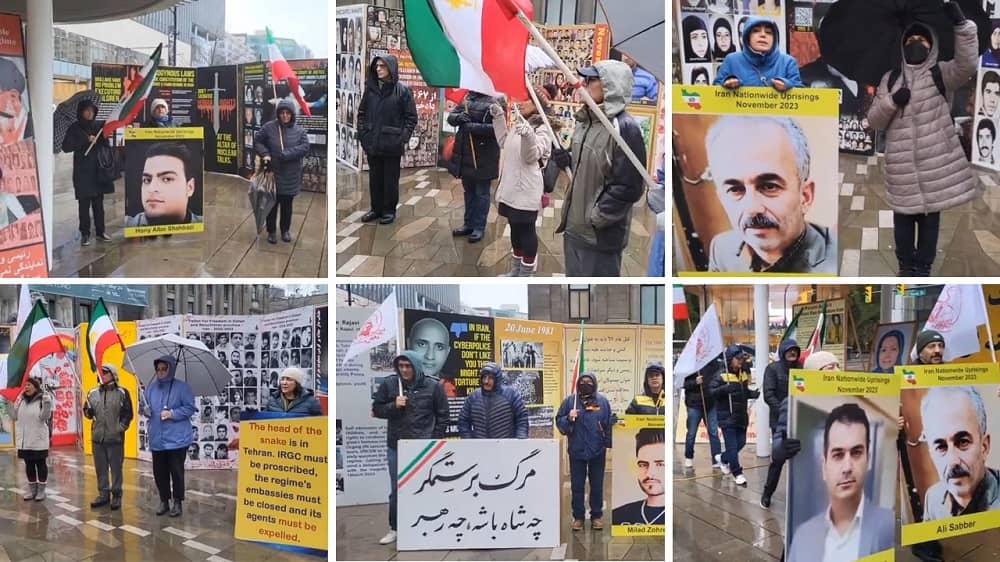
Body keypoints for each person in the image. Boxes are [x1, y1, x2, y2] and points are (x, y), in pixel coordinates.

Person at [867, 7, 978, 276]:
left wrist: (962, 26)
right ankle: (906, 265)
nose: (916, 45)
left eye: (922, 41)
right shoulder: (890, 79)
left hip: (934, 167)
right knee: (903, 220)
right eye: (910, 41)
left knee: (930, 222)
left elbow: (967, 65)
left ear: (932, 46)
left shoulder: (942, 74)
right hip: (902, 168)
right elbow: (874, 120)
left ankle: (923, 267)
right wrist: (893, 101)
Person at [705, 115, 834, 273]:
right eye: (735, 189)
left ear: (805, 196)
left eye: (769, 186)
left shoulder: (837, 264)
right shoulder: (721, 249)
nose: (752, 208)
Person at [556, 60, 646, 276]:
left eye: (592, 79)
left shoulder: (624, 128)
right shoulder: (585, 121)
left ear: (611, 85)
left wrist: (597, 216)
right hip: (573, 228)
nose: (585, 83)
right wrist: (565, 159)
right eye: (585, 78)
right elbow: (585, 165)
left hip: (598, 237)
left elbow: (630, 186)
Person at [786, 404, 895, 561]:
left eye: (856, 453)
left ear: (868, 460)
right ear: (824, 467)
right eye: (838, 455)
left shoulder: (889, 527)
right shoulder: (803, 536)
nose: (847, 468)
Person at [371, 351, 449, 545]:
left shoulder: (433, 386)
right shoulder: (390, 384)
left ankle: (429, 525)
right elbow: (377, 409)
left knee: (427, 487)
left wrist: (433, 441)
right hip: (396, 446)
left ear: (416, 366)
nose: (404, 370)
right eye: (401, 366)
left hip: (423, 447)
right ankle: (395, 528)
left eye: (408, 366)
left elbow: (443, 416)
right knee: (397, 490)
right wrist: (393, 406)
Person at [488, 90, 551, 276]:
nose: (521, 103)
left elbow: (530, 156)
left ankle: (525, 275)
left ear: (537, 104)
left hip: (526, 190)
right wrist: (498, 118)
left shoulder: (543, 127)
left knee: (526, 232)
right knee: (515, 230)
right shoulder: (520, 123)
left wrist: (529, 136)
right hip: (511, 189)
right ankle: (515, 273)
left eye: (526, 100)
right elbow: (503, 142)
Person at [920, 386, 1000, 519]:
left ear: (984, 446)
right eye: (941, 447)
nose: (953, 461)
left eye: (963, 442)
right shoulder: (932, 498)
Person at [357, 55, 417, 226]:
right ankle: (375, 209)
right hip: (373, 144)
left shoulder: (403, 91)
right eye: (376, 66)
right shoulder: (370, 90)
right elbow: (361, 114)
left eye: (382, 66)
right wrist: (363, 136)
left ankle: (389, 211)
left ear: (391, 68)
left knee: (390, 180)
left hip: (392, 145)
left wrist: (402, 139)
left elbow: (411, 118)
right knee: (375, 179)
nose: (378, 69)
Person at [556, 372, 612, 531]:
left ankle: (596, 516)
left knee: (597, 485)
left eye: (589, 382)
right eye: (582, 382)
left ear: (594, 384)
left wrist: (607, 443)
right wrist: (568, 418)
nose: (586, 384)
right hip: (577, 451)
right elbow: (560, 424)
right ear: (578, 385)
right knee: (577, 486)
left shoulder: (602, 402)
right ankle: (578, 517)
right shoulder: (569, 402)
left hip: (597, 451)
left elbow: (608, 423)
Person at [143, 355, 195, 518]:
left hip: (177, 439)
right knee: (159, 472)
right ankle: (164, 500)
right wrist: (144, 410)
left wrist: (172, 413)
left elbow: (190, 408)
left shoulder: (182, 388)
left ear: (170, 369)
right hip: (157, 439)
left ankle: (177, 501)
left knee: (176, 472)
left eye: (164, 369)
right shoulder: (150, 389)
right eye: (158, 369)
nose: (160, 372)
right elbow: (143, 406)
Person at [254, 99, 310, 244]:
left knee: (287, 206)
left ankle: (285, 230)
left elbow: (305, 147)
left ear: (292, 114)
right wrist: (265, 153)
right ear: (278, 114)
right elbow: (258, 141)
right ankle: (271, 231)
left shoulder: (299, 131)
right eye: (282, 113)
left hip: (290, 175)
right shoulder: (269, 127)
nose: (285, 116)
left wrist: (289, 153)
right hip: (273, 173)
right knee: (271, 205)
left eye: (287, 113)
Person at [448, 90, 501, 244]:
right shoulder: (466, 99)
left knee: (481, 193)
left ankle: (479, 227)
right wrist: (458, 117)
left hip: (484, 156)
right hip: (465, 155)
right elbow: (451, 117)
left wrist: (472, 127)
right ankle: (468, 224)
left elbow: (496, 129)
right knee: (469, 191)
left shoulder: (495, 101)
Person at [62, 98, 113, 245]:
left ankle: (100, 231)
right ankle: (85, 233)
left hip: (98, 172)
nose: (90, 113)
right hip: (82, 173)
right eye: (87, 110)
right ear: (81, 111)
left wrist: (101, 138)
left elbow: (106, 145)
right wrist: (85, 140)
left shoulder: (99, 126)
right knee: (84, 205)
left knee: (99, 205)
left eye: (92, 110)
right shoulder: (74, 128)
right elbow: (66, 147)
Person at [83, 364, 133, 510]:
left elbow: (128, 414)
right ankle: (103, 494)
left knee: (116, 468)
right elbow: (88, 413)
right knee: (100, 468)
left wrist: (120, 428)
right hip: (98, 438)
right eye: (101, 373)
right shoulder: (92, 393)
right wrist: (87, 411)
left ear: (113, 374)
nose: (102, 375)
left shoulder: (122, 392)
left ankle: (117, 494)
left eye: (105, 373)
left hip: (115, 439)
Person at [710, 345, 759, 486]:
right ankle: (737, 473)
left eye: (741, 359)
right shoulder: (721, 374)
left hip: (741, 415)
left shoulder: (743, 373)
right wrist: (724, 389)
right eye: (737, 359)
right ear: (730, 360)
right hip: (726, 416)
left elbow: (743, 392)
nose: (740, 361)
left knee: (741, 443)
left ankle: (723, 459)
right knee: (732, 447)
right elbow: (711, 392)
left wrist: (752, 393)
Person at [125, 142, 203, 228]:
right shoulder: (127, 225)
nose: (152, 188)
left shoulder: (205, 225)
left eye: (167, 179)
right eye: (147, 180)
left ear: (189, 188)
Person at [760, 339, 800, 507]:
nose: (793, 353)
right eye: (789, 350)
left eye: (795, 350)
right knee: (778, 460)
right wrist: (785, 411)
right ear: (782, 351)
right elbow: (768, 395)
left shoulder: (802, 369)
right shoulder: (772, 369)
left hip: (800, 422)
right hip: (780, 424)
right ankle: (767, 493)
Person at [714, 18, 802, 91]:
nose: (763, 35)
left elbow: (803, 97)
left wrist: (787, 86)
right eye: (756, 31)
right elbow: (714, 92)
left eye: (768, 32)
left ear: (775, 38)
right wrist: (727, 85)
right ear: (747, 37)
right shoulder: (731, 60)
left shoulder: (788, 62)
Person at [457, 363, 528, 438]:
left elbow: (522, 418)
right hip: (480, 446)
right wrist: (468, 440)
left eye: (490, 378)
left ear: (497, 379)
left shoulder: (511, 395)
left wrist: (520, 439)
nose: (486, 381)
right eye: (484, 377)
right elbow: (463, 420)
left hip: (506, 446)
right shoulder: (474, 397)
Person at [610, 429, 665, 525]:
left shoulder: (678, 518)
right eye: (643, 465)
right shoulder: (618, 515)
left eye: (660, 464)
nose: (649, 474)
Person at [12, 377, 51, 501]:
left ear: (35, 386)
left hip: (38, 439)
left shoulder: (42, 399)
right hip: (24, 440)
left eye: (29, 385)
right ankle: (32, 489)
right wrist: (8, 403)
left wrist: (47, 404)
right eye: (25, 385)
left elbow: (44, 417)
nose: (26, 387)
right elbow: (14, 416)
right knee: (29, 465)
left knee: (40, 464)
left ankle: (41, 490)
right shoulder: (21, 400)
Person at [681, 363, 723, 469]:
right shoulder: (690, 366)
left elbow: (718, 381)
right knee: (691, 433)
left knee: (713, 432)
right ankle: (688, 456)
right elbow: (684, 384)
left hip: (710, 403)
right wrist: (695, 382)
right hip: (694, 404)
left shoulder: (714, 364)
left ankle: (716, 459)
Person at [406, 317, 453, 393]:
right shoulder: (396, 385)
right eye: (422, 344)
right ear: (408, 344)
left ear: (447, 352)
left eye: (439, 347)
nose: (430, 356)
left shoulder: (451, 389)